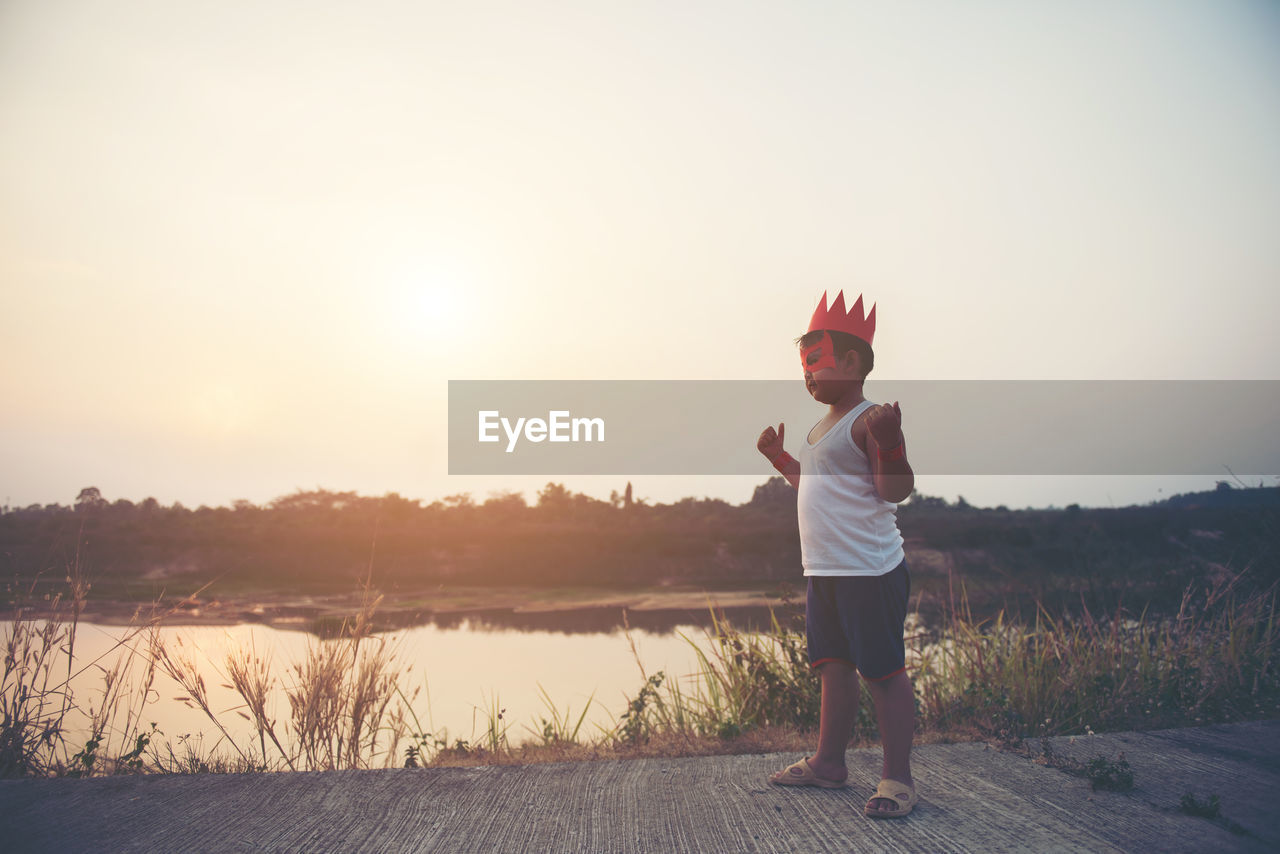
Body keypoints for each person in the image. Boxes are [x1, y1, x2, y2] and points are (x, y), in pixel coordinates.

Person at [756, 290, 918, 819]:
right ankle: (829, 763)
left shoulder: (871, 419)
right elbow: (813, 484)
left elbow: (894, 490)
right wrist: (781, 457)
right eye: (802, 366)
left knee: (883, 672)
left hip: (868, 569)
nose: (807, 375)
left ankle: (898, 779)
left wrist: (892, 445)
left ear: (852, 362)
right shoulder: (819, 428)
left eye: (815, 362)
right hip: (824, 569)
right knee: (833, 666)